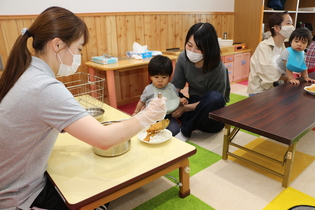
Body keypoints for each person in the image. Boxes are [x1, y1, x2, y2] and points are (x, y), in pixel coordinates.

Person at [0, 6, 166, 210]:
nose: (78, 56)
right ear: (58, 45)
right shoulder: (45, 87)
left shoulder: (24, 71)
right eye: (78, 49)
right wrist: (148, 116)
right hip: (19, 198)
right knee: (100, 190)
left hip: (16, 183)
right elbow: (104, 139)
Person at [171, 22, 230, 142]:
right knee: (161, 87)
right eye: (189, 45)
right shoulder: (183, 57)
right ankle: (174, 123)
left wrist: (185, 108)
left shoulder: (219, 68)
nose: (192, 51)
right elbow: (175, 88)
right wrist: (171, 100)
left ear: (208, 49)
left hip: (211, 116)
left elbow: (216, 102)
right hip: (191, 106)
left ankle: (185, 131)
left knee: (214, 97)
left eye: (198, 48)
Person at [132, 55, 188, 136]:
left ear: (169, 76)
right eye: (156, 77)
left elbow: (174, 99)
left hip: (167, 116)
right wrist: (135, 112)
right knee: (145, 131)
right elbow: (141, 102)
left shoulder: (171, 87)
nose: (160, 80)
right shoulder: (148, 89)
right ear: (150, 76)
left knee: (175, 131)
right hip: (151, 117)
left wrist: (181, 100)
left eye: (164, 77)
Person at [247, 11, 294, 96]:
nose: (292, 27)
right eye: (288, 23)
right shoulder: (264, 46)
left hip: (275, 87)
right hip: (259, 91)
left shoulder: (282, 46)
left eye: (292, 24)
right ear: (277, 28)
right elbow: (268, 72)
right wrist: (287, 77)